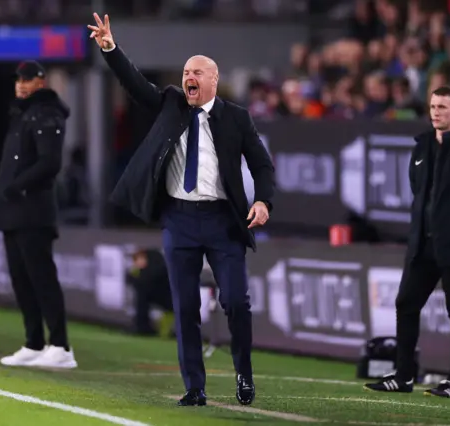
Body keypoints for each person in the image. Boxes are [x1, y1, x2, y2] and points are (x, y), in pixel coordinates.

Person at [88, 13, 275, 406]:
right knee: (185, 304)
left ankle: (243, 371)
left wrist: (262, 200)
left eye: (197, 72)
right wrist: (111, 49)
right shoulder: (171, 103)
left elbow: (261, 164)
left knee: (236, 301)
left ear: (213, 80)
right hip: (179, 219)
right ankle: (195, 387)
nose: (189, 77)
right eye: (186, 71)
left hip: (224, 221)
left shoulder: (236, 118)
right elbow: (138, 86)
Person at [364, 86, 450, 398]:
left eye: (443, 107)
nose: (436, 112)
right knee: (406, 304)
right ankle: (404, 375)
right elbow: (418, 191)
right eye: (433, 106)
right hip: (423, 244)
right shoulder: (422, 147)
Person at [0, 61, 77, 369]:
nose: (21, 84)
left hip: (33, 210)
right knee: (21, 279)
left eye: (27, 79)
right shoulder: (23, 113)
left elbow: (50, 162)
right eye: (18, 79)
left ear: (41, 81)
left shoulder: (46, 113)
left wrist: (15, 187)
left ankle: (61, 345)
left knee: (41, 278)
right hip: (14, 211)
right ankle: (34, 341)